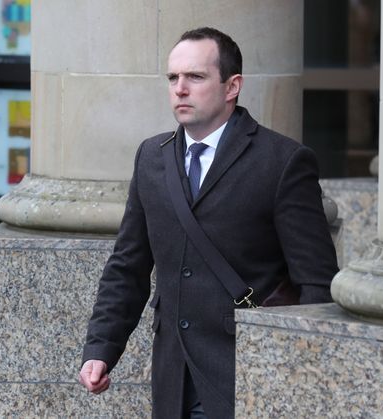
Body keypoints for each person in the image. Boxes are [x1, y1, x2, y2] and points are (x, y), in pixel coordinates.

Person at [79, 27, 338, 419]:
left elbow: (316, 283)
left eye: (195, 77)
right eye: (173, 78)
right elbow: (127, 266)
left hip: (247, 376)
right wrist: (101, 348)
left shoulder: (283, 161)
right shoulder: (152, 156)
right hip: (173, 377)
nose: (180, 89)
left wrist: (297, 374)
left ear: (232, 86)